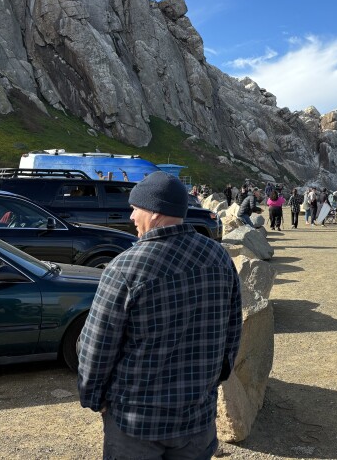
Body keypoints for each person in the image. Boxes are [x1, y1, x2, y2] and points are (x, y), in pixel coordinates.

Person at [78, 171, 242, 460]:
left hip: (136, 423)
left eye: (134, 208)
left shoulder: (125, 267)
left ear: (153, 212)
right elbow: (233, 332)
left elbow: (96, 346)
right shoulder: (219, 257)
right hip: (197, 417)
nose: (130, 217)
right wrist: (210, 385)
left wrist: (93, 397)